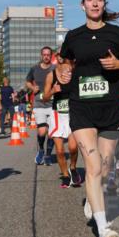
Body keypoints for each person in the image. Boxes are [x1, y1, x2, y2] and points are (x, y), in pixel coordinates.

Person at [60, 0, 119, 237]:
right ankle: (104, 230)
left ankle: (91, 201)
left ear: (104, 4)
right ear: (82, 5)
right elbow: (65, 63)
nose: (95, 3)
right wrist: (63, 72)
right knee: (92, 167)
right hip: (81, 107)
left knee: (104, 170)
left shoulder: (117, 34)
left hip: (111, 108)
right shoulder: (74, 36)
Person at [43, 53, 82, 189]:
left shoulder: (74, 71)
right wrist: (53, 90)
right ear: (56, 57)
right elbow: (45, 98)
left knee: (72, 147)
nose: (61, 57)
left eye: (63, 54)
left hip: (73, 113)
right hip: (57, 115)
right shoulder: (51, 75)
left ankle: (73, 167)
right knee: (59, 150)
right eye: (58, 54)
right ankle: (65, 175)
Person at [26, 47, 57, 165]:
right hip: (39, 104)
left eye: (48, 55)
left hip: (53, 104)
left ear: (51, 56)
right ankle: (41, 150)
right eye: (44, 54)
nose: (46, 57)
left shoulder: (55, 69)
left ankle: (48, 154)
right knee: (42, 131)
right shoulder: (34, 68)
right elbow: (28, 81)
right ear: (41, 55)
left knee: (52, 133)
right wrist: (33, 87)